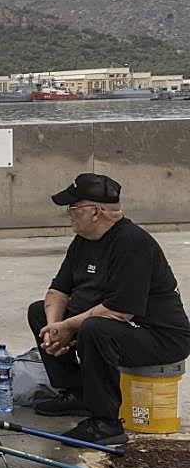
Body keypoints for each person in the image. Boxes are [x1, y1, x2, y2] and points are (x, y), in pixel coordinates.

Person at [27, 173, 190, 445]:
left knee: (97, 329)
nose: (68, 214)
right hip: (120, 327)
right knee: (38, 312)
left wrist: (67, 327)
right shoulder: (82, 241)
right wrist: (54, 327)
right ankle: (77, 392)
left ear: (95, 211)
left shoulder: (132, 243)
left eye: (73, 208)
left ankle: (106, 423)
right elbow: (58, 291)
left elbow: (120, 311)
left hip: (161, 336)